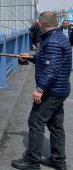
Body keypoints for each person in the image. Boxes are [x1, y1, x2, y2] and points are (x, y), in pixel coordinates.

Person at [11, 11, 72, 170]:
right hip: (60, 89)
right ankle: (58, 161)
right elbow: (48, 60)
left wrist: (40, 89)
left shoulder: (52, 41)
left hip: (51, 91)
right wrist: (31, 57)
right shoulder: (59, 38)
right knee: (56, 126)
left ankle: (32, 162)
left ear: (40, 24)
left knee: (36, 122)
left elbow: (51, 69)